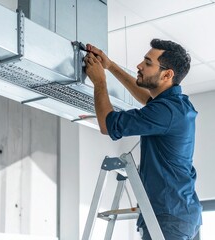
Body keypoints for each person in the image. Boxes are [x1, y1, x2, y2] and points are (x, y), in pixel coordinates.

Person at [83, 39, 202, 240]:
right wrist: (110, 66)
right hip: (177, 213)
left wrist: (100, 81)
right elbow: (145, 97)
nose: (139, 66)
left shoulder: (166, 112)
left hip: (167, 215)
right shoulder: (175, 105)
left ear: (167, 74)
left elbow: (107, 124)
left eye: (148, 63)